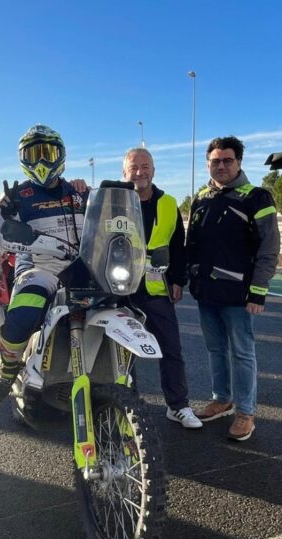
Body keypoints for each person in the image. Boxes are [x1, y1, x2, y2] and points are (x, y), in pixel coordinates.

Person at [0, 124, 88, 405]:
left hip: (82, 268)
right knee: (27, 307)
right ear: (23, 159)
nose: (41, 160)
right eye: (34, 154)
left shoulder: (80, 192)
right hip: (39, 267)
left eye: (48, 152)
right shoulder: (16, 197)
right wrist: (4, 214)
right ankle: (6, 370)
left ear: (61, 154)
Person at [186, 136, 280, 442]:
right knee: (216, 349)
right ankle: (222, 399)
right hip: (206, 292)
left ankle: (245, 413)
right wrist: (188, 277)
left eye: (228, 160)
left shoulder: (257, 197)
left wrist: (258, 291)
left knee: (242, 352)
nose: (221, 165)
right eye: (216, 160)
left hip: (238, 295)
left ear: (238, 162)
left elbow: (269, 248)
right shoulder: (201, 198)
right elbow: (192, 245)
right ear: (208, 163)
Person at [120, 148, 202, 430]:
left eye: (145, 166)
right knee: (121, 353)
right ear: (125, 173)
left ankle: (178, 406)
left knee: (171, 350)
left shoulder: (168, 203)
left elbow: (179, 245)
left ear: (153, 170)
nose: (139, 172)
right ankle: (123, 407)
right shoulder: (116, 203)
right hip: (121, 291)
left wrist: (178, 280)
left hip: (156, 291)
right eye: (134, 167)